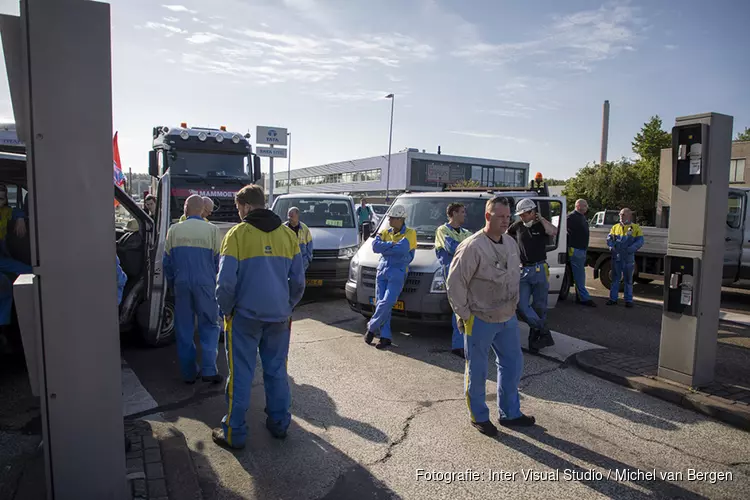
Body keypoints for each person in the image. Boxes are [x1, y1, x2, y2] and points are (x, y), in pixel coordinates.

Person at [212, 184, 305, 450]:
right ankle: (279, 424)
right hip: (279, 318)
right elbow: (298, 281)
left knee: (241, 374)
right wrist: (286, 305)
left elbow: (225, 283)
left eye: (239, 207)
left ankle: (235, 433)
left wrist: (226, 309)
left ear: (246, 206)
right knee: (276, 371)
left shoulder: (237, 235)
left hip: (244, 317)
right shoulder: (288, 236)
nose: (238, 212)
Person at [446, 196, 536, 436]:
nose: (506, 221)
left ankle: (510, 413)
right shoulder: (472, 246)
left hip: (506, 317)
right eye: (501, 217)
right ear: (488, 216)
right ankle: (479, 416)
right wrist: (466, 315)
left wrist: (514, 305)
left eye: (508, 217)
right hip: (480, 318)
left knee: (512, 365)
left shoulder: (510, 243)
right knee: (477, 370)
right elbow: (455, 284)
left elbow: (513, 276)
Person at [163, 195, 223, 385]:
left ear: (186, 208)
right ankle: (208, 370)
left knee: (184, 328)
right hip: (205, 284)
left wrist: (173, 284)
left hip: (182, 284)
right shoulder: (213, 230)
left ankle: (189, 373)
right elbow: (218, 262)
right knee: (209, 325)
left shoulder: (173, 230)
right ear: (202, 209)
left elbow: (167, 263)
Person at [506, 198, 557, 353]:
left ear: (533, 212)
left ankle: (535, 342)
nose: (522, 217)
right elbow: (507, 235)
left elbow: (553, 231)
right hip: (524, 270)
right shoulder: (518, 226)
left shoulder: (541, 225)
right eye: (520, 215)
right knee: (521, 305)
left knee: (539, 307)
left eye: (524, 214)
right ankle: (543, 330)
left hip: (540, 269)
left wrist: (541, 219)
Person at [364, 205, 416, 350]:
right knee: (380, 302)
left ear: (400, 219)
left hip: (398, 271)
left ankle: (371, 327)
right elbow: (375, 246)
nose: (389, 219)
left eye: (392, 218)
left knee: (387, 302)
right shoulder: (385, 231)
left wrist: (386, 248)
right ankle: (385, 337)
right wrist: (391, 244)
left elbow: (403, 249)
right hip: (382, 270)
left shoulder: (411, 233)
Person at [434, 202, 472, 358]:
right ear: (454, 213)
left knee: (466, 306)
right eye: (462, 212)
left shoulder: (466, 232)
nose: (464, 215)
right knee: (457, 307)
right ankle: (458, 345)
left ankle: (466, 343)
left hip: (467, 272)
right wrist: (466, 247)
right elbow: (451, 247)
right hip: (451, 272)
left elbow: (474, 247)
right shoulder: (442, 230)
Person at [606, 208, 644, 308]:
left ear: (629, 216)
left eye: (623, 215)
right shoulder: (615, 227)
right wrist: (611, 247)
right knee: (615, 279)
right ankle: (613, 299)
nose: (621, 216)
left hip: (628, 257)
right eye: (620, 214)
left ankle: (628, 300)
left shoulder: (635, 228)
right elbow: (609, 238)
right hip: (617, 257)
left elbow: (640, 241)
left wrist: (631, 249)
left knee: (628, 280)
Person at [566, 199, 596, 307]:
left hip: (580, 250)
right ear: (578, 206)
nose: (587, 208)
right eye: (585, 206)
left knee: (580, 274)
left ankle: (580, 296)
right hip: (576, 250)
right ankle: (584, 298)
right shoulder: (571, 217)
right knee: (580, 275)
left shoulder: (580, 217)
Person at [284, 206, 313, 271]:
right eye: (288, 216)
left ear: (297, 216)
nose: (289, 218)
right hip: (287, 261)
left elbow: (309, 245)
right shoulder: (283, 229)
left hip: (301, 262)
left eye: (291, 216)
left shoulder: (305, 229)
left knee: (299, 280)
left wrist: (308, 260)